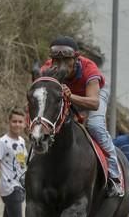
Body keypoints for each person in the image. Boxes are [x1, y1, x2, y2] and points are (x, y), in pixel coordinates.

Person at [40, 36, 123, 197]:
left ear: (76, 58)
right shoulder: (48, 68)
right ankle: (31, 170)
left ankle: (114, 175)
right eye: (57, 60)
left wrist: (71, 97)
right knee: (43, 124)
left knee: (94, 126)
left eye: (66, 60)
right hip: (66, 94)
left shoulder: (89, 68)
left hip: (93, 94)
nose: (61, 65)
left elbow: (94, 103)